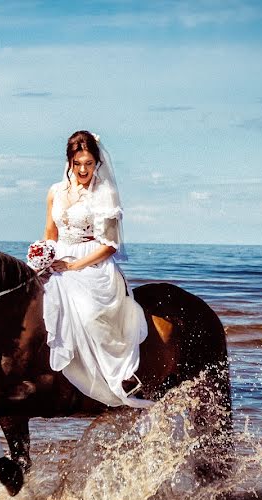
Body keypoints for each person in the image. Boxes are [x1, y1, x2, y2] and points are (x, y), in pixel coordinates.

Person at [39, 130, 151, 409]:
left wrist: (74, 266)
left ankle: (117, 378)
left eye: (88, 163)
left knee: (89, 315)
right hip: (59, 259)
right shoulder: (55, 191)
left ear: (96, 162)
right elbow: (50, 232)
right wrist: (44, 257)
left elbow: (110, 245)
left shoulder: (104, 193)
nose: (83, 169)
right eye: (78, 163)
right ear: (69, 162)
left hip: (94, 264)